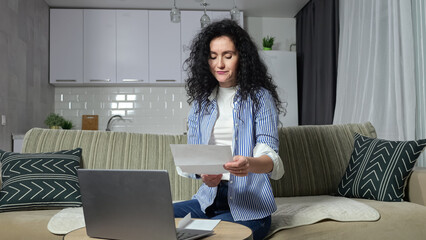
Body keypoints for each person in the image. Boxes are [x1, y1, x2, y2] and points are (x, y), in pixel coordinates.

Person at [173, 19, 285, 240]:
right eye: (213, 56)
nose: (219, 64)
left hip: (250, 206)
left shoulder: (259, 98)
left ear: (241, 57)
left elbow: (273, 161)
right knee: (155, 217)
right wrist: (203, 174)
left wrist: (249, 164)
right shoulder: (201, 103)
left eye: (228, 55)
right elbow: (190, 157)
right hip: (207, 201)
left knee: (214, 235)